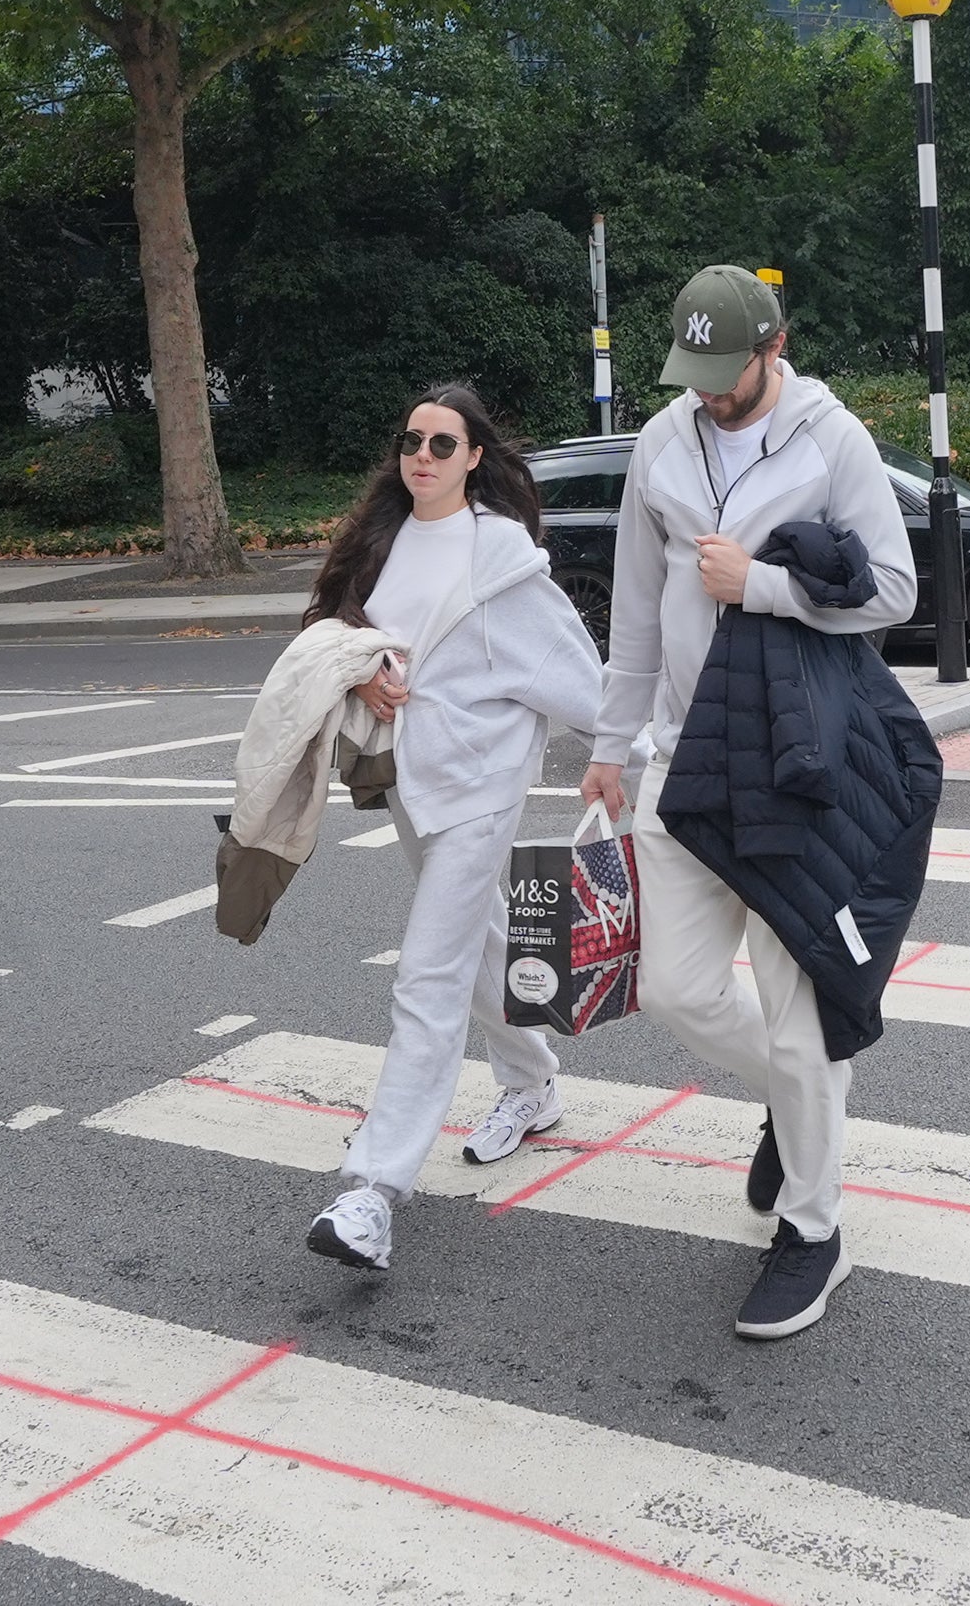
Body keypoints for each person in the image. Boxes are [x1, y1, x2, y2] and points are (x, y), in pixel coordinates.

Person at [587, 266, 916, 1339]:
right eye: (692, 374)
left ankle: (814, 1228)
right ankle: (792, 1098)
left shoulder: (835, 440)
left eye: (723, 373)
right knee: (673, 987)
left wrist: (763, 585)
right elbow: (636, 606)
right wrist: (607, 744)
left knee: (800, 1004)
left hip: (790, 761)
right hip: (682, 759)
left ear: (774, 344)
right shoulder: (661, 439)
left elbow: (897, 591)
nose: (707, 394)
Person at [302, 383, 606, 1274]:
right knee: (479, 948)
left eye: (443, 444)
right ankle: (533, 1082)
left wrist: (632, 755)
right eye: (412, 441)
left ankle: (371, 1191)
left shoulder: (499, 556)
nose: (423, 457)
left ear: (477, 457)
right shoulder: (383, 544)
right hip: (412, 783)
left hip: (480, 788)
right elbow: (338, 636)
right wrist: (363, 677)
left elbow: (574, 673)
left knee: (427, 976)